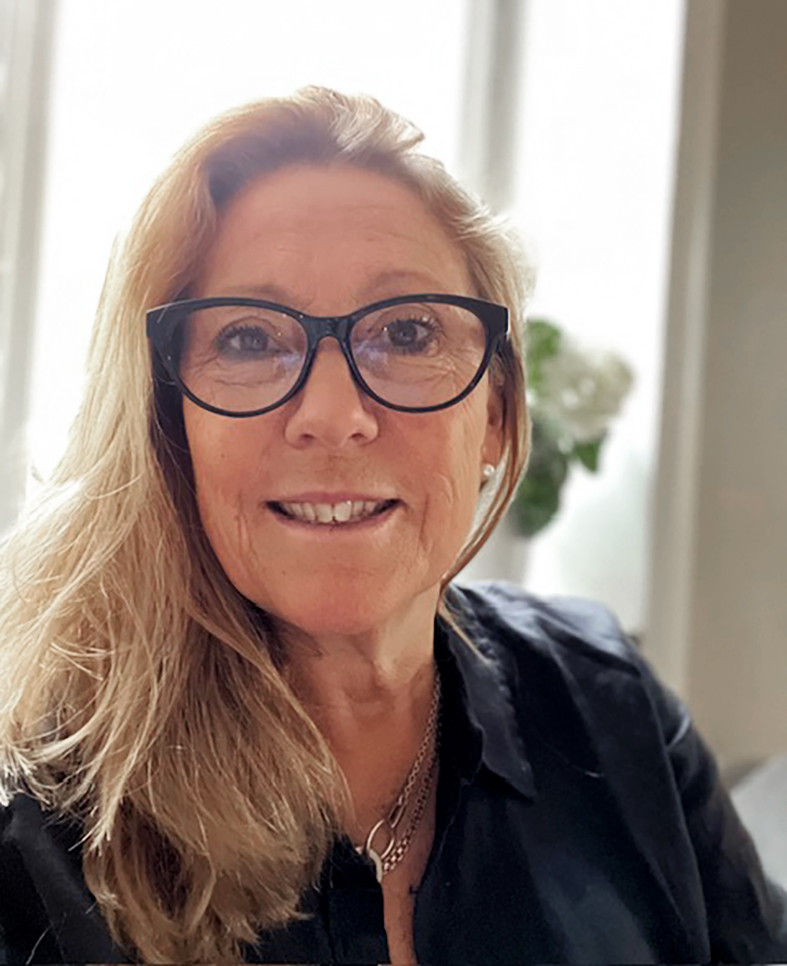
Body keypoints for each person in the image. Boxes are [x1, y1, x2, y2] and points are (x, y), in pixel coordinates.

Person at [0, 87, 785, 966]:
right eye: (250, 340)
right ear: (168, 420)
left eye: (408, 333)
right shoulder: (37, 834)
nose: (332, 416)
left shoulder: (611, 704)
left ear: (495, 415)